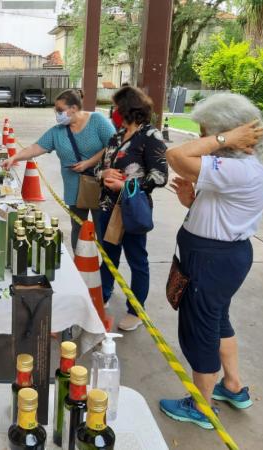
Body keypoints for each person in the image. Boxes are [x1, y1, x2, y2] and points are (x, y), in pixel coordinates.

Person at [159, 93, 263, 429]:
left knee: (202, 329)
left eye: (208, 132)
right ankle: (233, 385)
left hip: (210, 261)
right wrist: (192, 203)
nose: (202, 140)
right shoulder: (243, 169)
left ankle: (201, 406)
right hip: (220, 255)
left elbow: (175, 155)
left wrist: (224, 139)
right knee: (218, 320)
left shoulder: (239, 167)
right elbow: (223, 214)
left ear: (230, 132)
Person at [1, 89, 116, 250]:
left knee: (102, 230)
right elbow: (36, 147)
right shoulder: (58, 132)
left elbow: (115, 144)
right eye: (56, 110)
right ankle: (81, 266)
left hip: (101, 187)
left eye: (60, 110)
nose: (57, 114)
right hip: (74, 190)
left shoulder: (97, 121)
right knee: (78, 229)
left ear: (74, 108)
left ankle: (107, 269)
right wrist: (14, 158)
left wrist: (89, 162)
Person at [96, 86, 168, 331]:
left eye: (117, 107)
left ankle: (135, 310)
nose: (114, 112)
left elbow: (160, 176)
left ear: (128, 109)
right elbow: (101, 169)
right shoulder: (116, 137)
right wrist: (103, 173)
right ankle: (103, 294)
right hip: (107, 207)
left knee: (137, 260)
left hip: (132, 209)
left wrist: (126, 184)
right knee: (107, 255)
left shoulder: (150, 136)